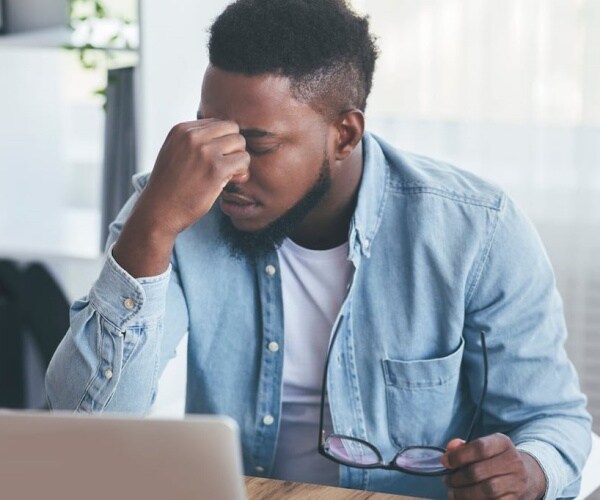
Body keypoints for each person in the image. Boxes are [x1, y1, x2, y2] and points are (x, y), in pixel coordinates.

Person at [46, 0, 591, 498]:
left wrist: (529, 471)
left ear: (345, 135)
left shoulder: (474, 230)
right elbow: (80, 427)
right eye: (212, 131)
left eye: (256, 145)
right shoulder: (171, 205)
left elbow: (554, 421)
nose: (229, 168)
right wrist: (154, 229)